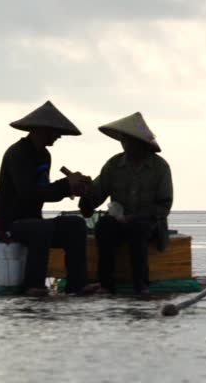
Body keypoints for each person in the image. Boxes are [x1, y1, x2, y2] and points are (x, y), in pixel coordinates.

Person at [0, 101, 94, 297]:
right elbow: (29, 194)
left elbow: (45, 192)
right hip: (11, 223)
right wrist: (65, 185)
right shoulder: (18, 154)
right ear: (42, 129)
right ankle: (33, 284)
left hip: (35, 224)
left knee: (76, 225)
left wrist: (71, 187)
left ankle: (77, 284)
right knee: (42, 228)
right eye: (55, 131)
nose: (59, 136)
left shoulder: (44, 155)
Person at [79, 112, 173, 295]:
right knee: (104, 226)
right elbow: (97, 194)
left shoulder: (160, 167)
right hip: (118, 223)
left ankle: (141, 285)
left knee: (138, 228)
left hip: (149, 224)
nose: (125, 145)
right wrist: (86, 196)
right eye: (124, 141)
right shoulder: (114, 165)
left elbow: (163, 206)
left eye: (129, 141)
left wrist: (134, 218)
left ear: (142, 143)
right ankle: (106, 284)